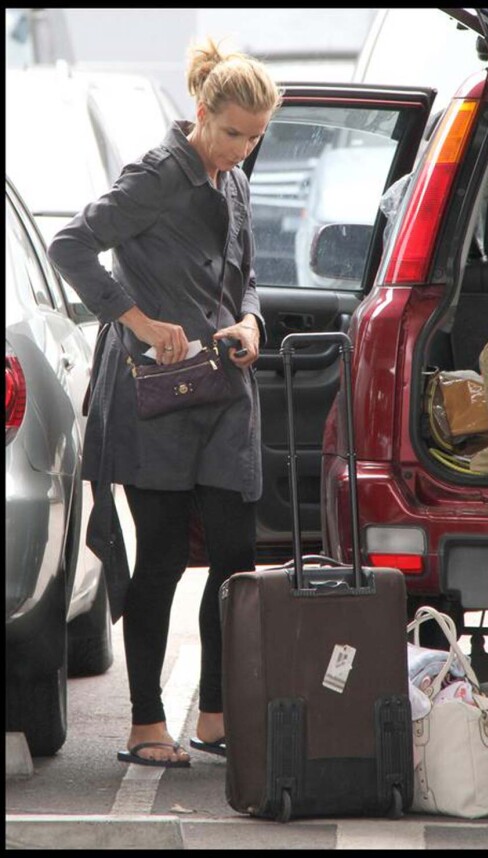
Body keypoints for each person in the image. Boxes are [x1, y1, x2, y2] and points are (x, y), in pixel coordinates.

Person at [48, 38, 282, 767]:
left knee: (236, 561)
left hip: (224, 394)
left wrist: (251, 322)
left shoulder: (233, 177)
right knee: (158, 562)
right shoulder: (156, 175)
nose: (243, 149)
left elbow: (244, 277)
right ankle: (146, 724)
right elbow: (71, 245)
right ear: (202, 112)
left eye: (256, 136)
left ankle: (215, 714)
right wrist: (138, 321)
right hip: (156, 395)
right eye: (234, 132)